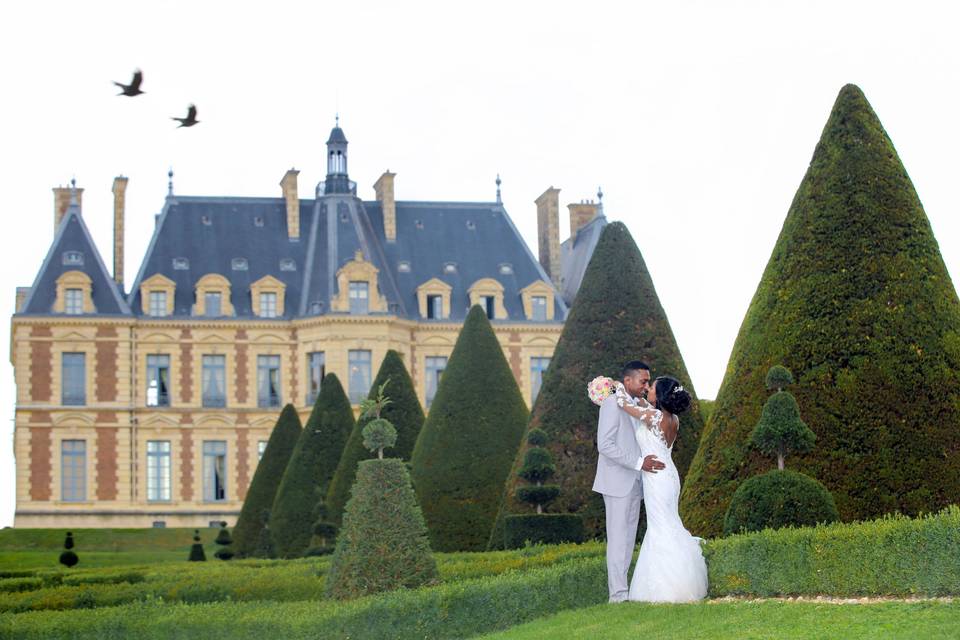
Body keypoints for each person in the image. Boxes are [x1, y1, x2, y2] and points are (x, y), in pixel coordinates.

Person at [618, 375, 708, 602]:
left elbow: (625, 405)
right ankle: (682, 581)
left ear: (660, 395)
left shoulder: (654, 416)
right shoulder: (673, 418)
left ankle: (667, 588)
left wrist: (614, 388)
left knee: (661, 527)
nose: (648, 389)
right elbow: (641, 406)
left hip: (657, 479)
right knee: (669, 523)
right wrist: (637, 397)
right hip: (667, 475)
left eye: (652, 387)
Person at [592, 361, 666, 603]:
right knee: (618, 539)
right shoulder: (612, 403)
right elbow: (605, 445)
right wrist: (638, 463)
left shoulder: (635, 403)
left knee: (628, 539)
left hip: (636, 482)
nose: (646, 386)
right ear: (628, 381)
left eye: (648, 382)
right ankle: (617, 594)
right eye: (643, 381)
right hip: (617, 482)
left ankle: (624, 590)